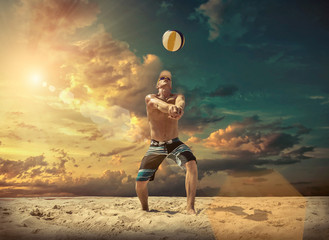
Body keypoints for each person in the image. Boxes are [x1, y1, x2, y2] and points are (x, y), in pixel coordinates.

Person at [135, 70, 198, 214]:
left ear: (171, 85)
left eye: (168, 79)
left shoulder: (177, 97)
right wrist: (170, 108)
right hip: (155, 146)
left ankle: (190, 208)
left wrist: (179, 109)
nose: (165, 79)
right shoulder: (150, 97)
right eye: (162, 78)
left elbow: (180, 102)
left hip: (174, 144)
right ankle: (145, 208)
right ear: (157, 84)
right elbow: (157, 104)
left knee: (191, 164)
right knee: (140, 182)